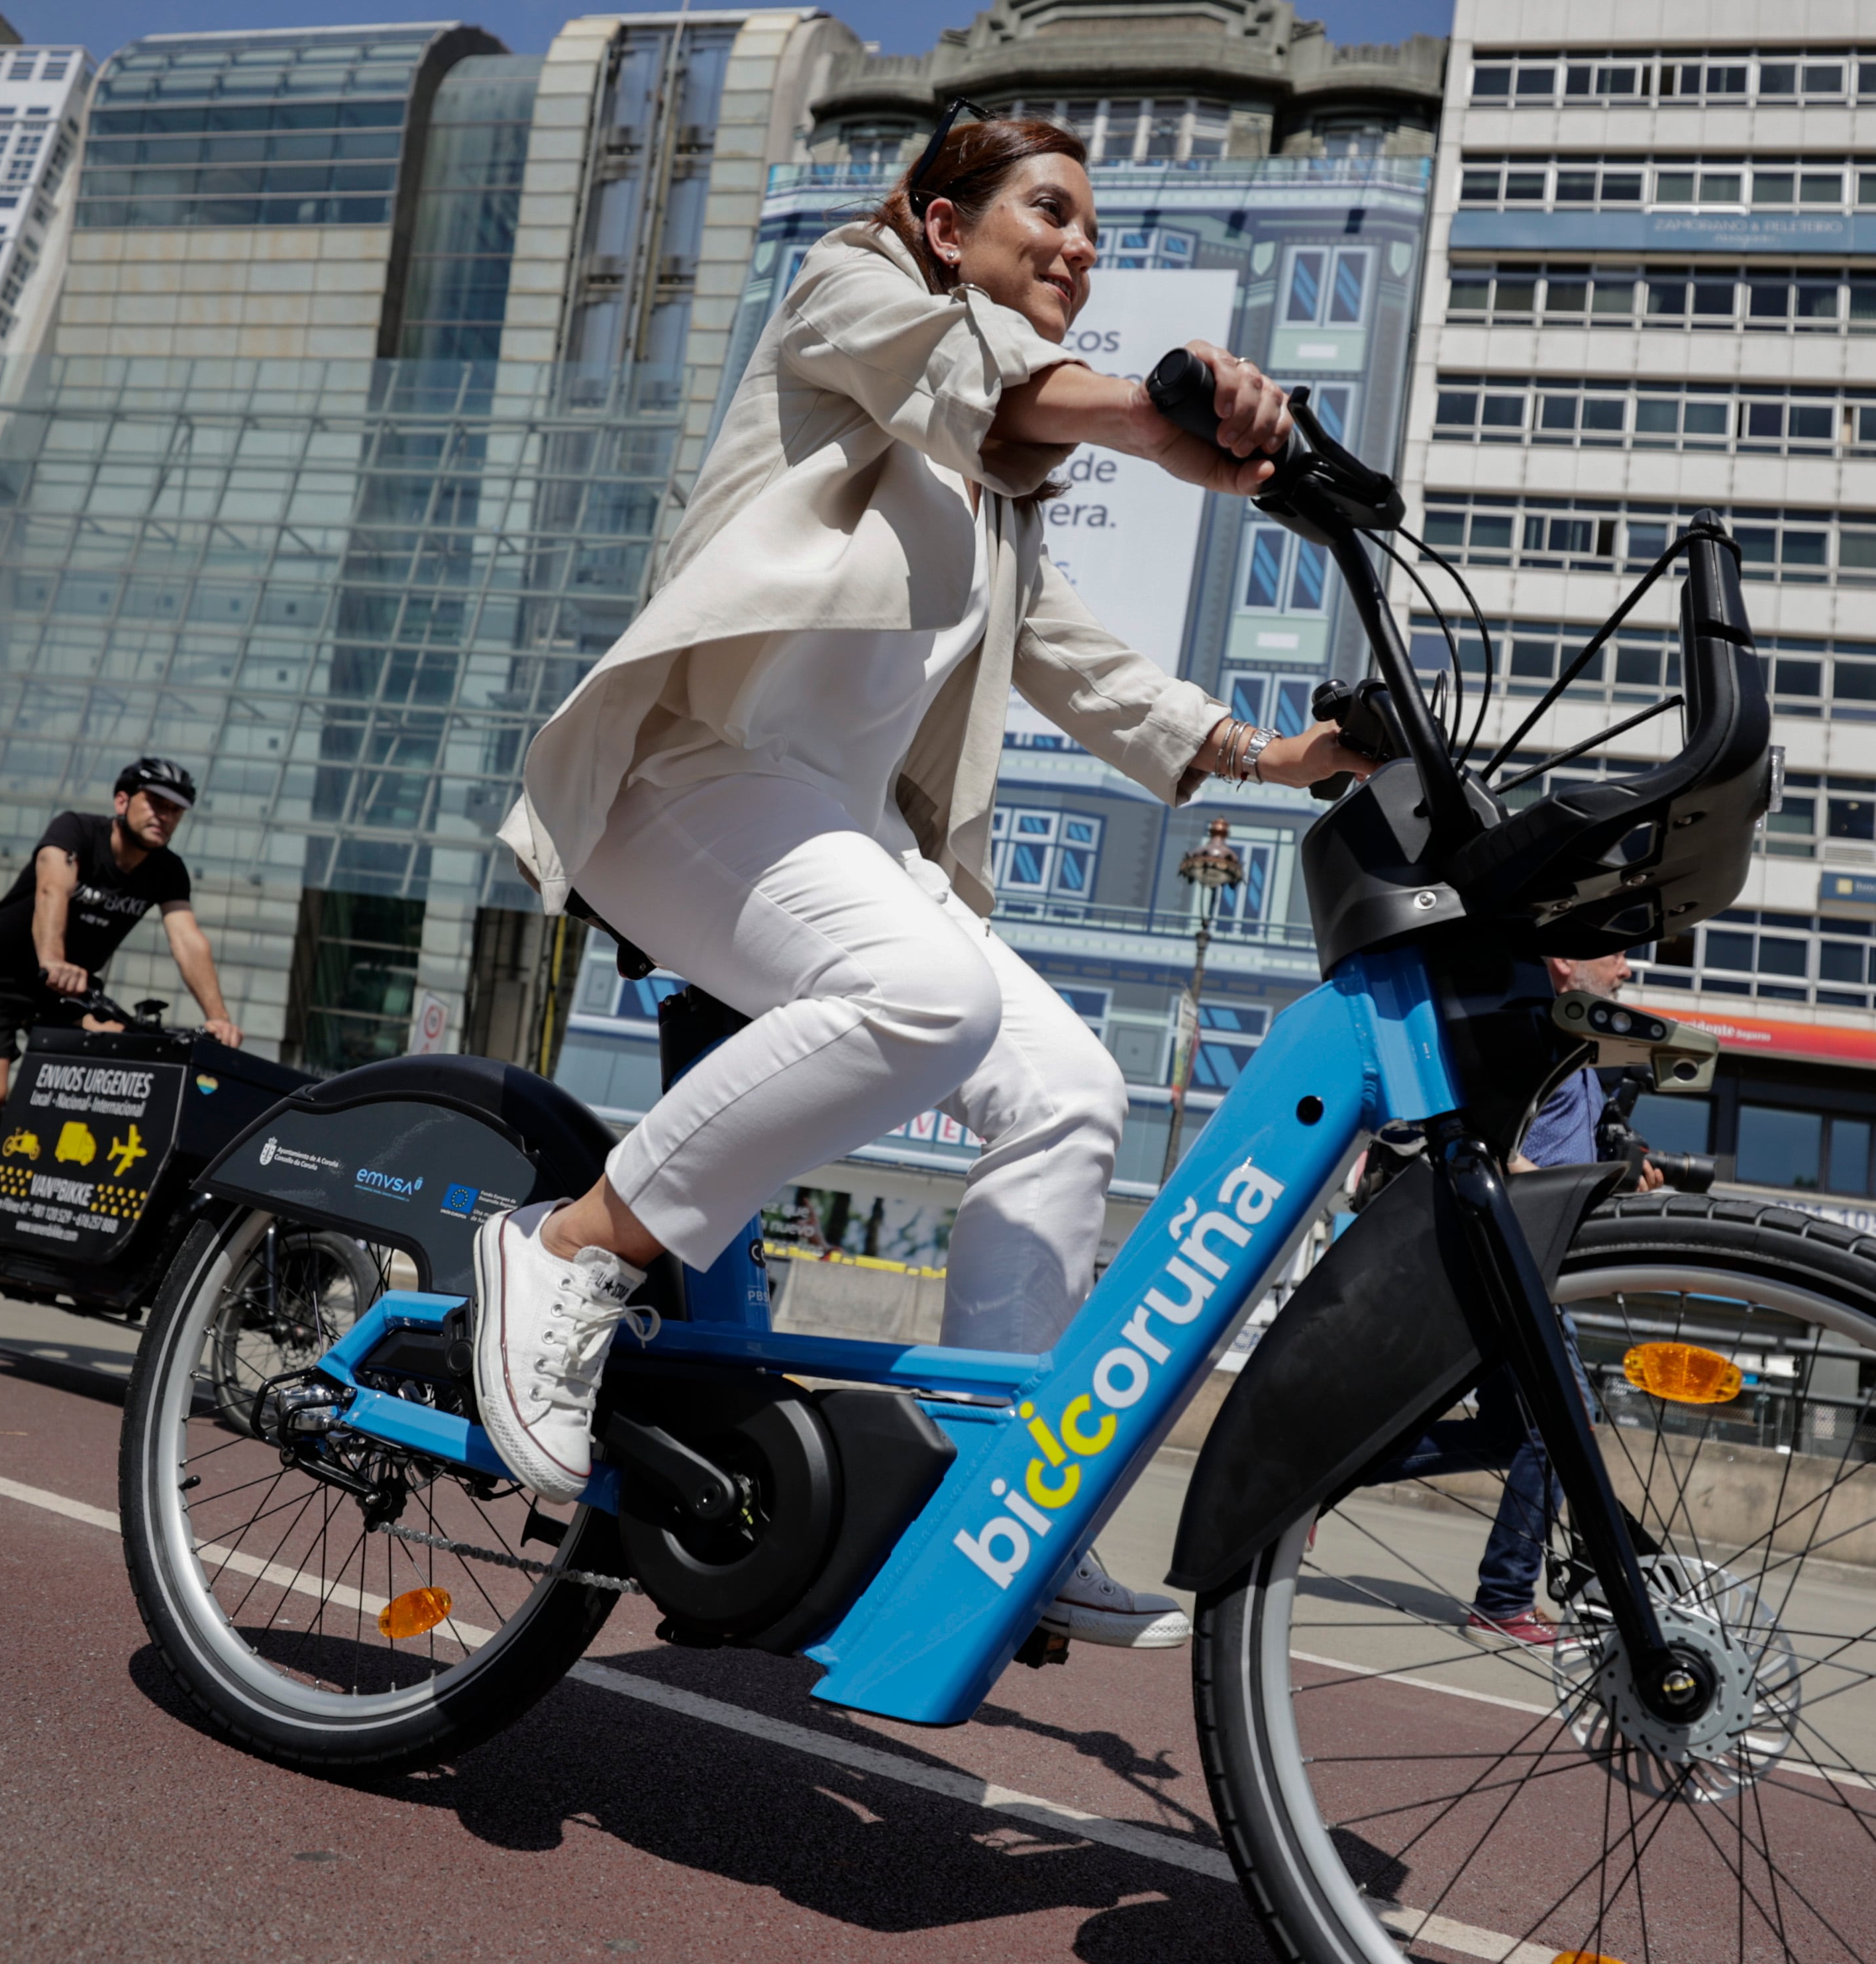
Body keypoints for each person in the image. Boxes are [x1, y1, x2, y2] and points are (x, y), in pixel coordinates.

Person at [482, 111, 1373, 1649]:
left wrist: (1269, 755)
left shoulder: (998, 502)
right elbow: (967, 382)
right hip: (685, 775)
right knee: (927, 989)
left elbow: (1071, 658)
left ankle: (992, 1498)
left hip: (830, 827)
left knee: (1071, 1090)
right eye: (1049, 210)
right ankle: (569, 1247)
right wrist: (1150, 422)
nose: (1079, 245)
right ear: (942, 221)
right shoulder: (845, 292)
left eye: (1092, 229)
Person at [0, 758, 242, 1283]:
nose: (165, 815)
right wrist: (51, 958)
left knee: (122, 1057)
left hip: (69, 987)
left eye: (176, 810)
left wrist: (218, 1017)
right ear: (122, 801)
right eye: (155, 802)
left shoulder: (167, 870)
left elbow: (186, 937)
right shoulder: (75, 831)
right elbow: (52, 889)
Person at [1466, 947, 1661, 1647]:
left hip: (1538, 1270)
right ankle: (1503, 1595)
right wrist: (1528, 1185)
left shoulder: (1577, 1053)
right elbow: (1481, 1137)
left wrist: (1620, 1168)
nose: (1628, 970)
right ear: (1559, 961)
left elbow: (1560, 1153)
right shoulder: (1532, 1042)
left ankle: (1316, 1480)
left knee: (1507, 1433)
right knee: (1561, 1423)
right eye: (1613, 954)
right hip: (1513, 1263)